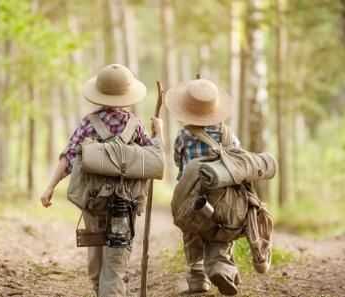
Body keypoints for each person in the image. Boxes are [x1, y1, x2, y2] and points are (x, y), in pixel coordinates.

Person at [40, 64, 163, 297]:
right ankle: (111, 291)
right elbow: (155, 158)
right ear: (127, 96)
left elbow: (68, 157)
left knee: (96, 251)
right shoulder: (135, 125)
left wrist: (50, 188)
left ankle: (100, 289)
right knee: (116, 257)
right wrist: (160, 133)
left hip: (93, 200)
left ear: (100, 93)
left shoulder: (89, 123)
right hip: (124, 202)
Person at [165, 78, 242, 295]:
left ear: (187, 109)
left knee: (193, 230)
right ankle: (221, 267)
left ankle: (198, 276)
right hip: (223, 195)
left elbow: (179, 164)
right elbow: (238, 159)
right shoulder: (228, 135)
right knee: (222, 230)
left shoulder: (183, 136)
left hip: (193, 196)